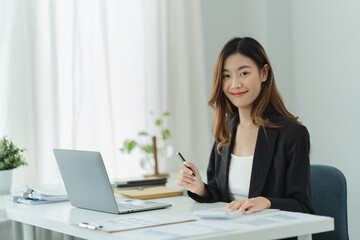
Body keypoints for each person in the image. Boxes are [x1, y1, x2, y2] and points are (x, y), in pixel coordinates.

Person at [177, 37, 314, 216]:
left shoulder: (292, 134)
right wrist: (201, 188)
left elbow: (303, 206)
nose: (235, 84)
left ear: (264, 73)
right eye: (226, 76)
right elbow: (222, 194)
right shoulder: (225, 130)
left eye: (244, 73)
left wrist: (266, 202)